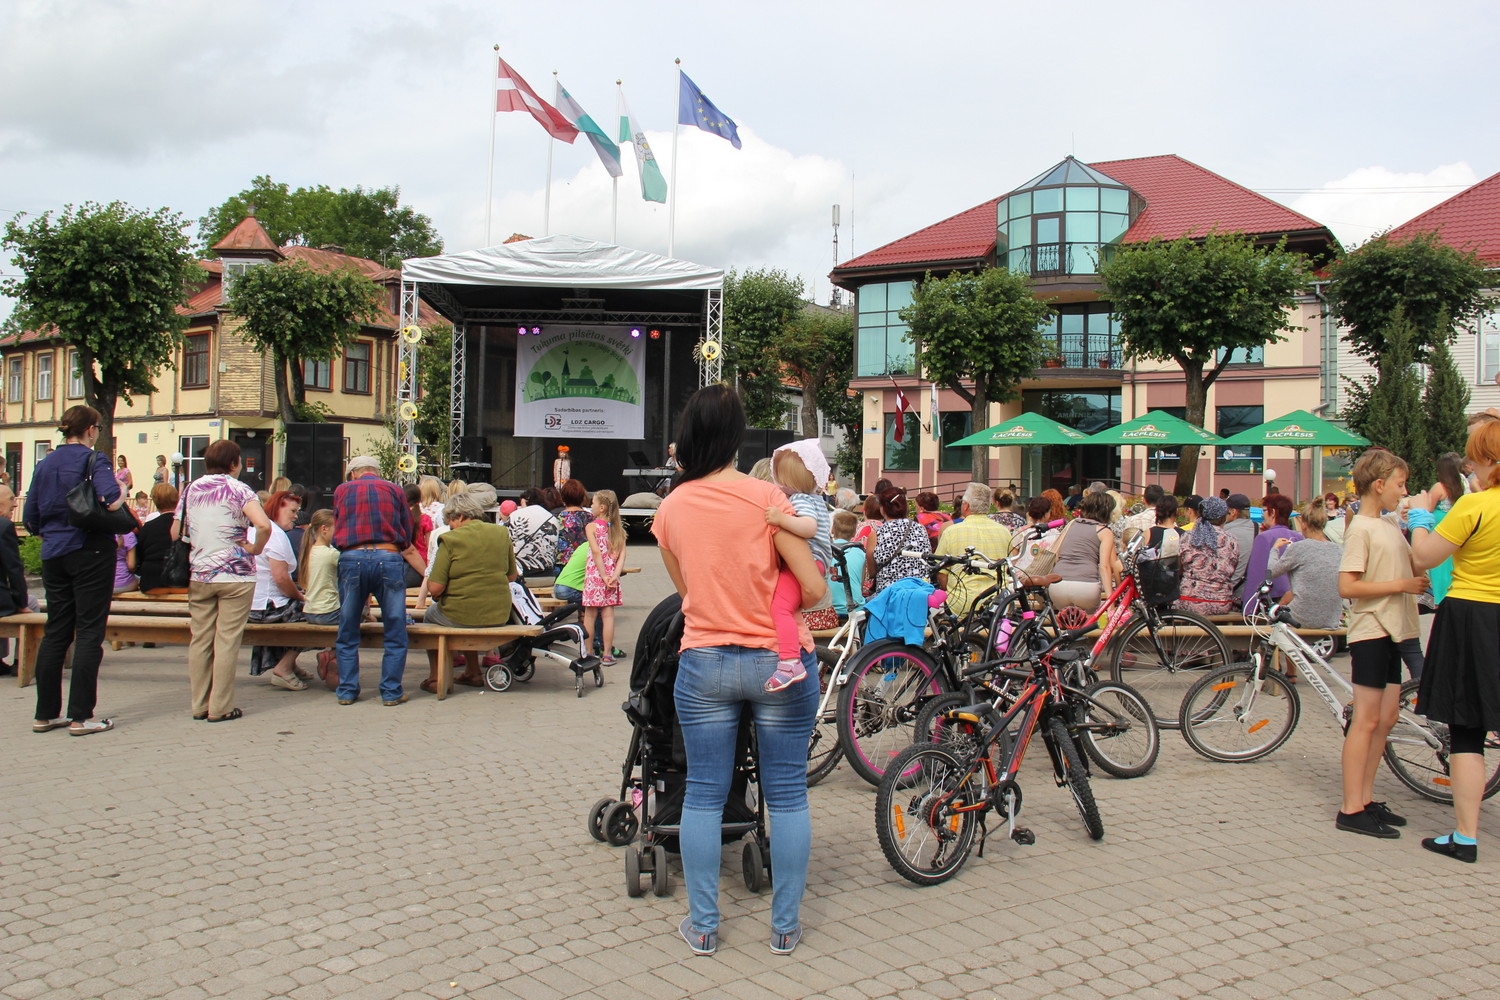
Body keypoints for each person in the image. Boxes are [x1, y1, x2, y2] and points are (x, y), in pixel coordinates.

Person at [651, 384, 825, 957]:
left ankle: (703, 925)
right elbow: (817, 590)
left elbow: (687, 593)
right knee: (788, 795)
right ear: (736, 435)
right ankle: (784, 927)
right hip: (781, 663)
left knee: (702, 793)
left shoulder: (670, 508)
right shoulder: (768, 500)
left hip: (705, 662)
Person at [1407, 420, 1500, 862]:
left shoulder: (1475, 506)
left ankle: (1465, 837)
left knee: (1467, 732)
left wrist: (1422, 516)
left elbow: (1424, 556)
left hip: (1472, 615)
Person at [1334, 448, 1427, 839]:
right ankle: (1350, 807)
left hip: (1395, 629)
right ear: (1379, 484)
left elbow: (1418, 564)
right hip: (1372, 631)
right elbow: (1347, 586)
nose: (1403, 491)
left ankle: (1366, 798)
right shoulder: (1362, 528)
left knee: (1385, 718)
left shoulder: (1390, 524)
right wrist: (1401, 585)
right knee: (1368, 719)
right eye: (1400, 484)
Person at [24, 405, 133, 735]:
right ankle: (81, 716)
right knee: (88, 631)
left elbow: (30, 517)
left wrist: (53, 532)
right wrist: (125, 491)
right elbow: (112, 499)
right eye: (97, 429)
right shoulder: (93, 459)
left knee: (56, 630)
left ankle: (45, 714)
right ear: (89, 430)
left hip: (53, 553)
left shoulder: (44, 464)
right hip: (90, 549)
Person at [172, 438, 271, 723]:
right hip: (236, 574)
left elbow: (173, 531)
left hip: (200, 573)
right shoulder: (240, 489)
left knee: (200, 639)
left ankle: (199, 704)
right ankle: (221, 706)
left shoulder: (190, 489)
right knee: (226, 640)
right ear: (234, 464)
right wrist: (256, 548)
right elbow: (263, 524)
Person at [332, 456, 419, 707]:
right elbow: (406, 528)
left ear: (353, 474)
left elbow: (338, 524)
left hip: (352, 557)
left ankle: (347, 690)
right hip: (388, 556)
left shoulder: (341, 490)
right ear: (376, 473)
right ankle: (391, 692)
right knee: (394, 627)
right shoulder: (394, 489)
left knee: (348, 628)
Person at [420, 487, 517, 693]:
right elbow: (511, 576)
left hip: (461, 612)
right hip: (499, 613)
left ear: (460, 516)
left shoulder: (451, 539)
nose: (450, 527)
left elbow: (435, 586)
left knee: (431, 617)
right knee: (465, 611)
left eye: (451, 522)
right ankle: (472, 671)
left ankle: (436, 677)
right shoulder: (501, 532)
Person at [762, 442, 833, 692]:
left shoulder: (802, 499)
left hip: (810, 560)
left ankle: (790, 661)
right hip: (819, 561)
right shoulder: (815, 498)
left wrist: (781, 519)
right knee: (788, 607)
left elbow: (809, 528)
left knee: (780, 608)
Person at [247, 490, 309, 690]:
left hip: (248, 603)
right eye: (292, 510)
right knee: (316, 614)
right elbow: (281, 579)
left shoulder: (252, 530)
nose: (295, 516)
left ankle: (289, 663)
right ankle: (284, 666)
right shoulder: (276, 536)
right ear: (277, 508)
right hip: (266, 607)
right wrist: (301, 596)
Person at [934, 483, 1012, 616]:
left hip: (960, 603)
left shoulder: (951, 532)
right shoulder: (1004, 532)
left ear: (966, 505)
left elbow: (941, 572)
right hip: (998, 603)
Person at [1266, 501, 1345, 631]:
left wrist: (1275, 548)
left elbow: (1271, 572)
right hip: (1331, 618)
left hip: (1301, 618)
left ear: (1304, 524)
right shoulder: (1338, 550)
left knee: (1273, 621)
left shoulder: (1299, 547)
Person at [1049, 490, 1120, 610]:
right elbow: (1105, 567)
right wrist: (1111, 602)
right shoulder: (1104, 531)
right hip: (1086, 586)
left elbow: (1057, 555)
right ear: (1106, 511)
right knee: (1090, 624)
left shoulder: (1071, 524)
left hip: (1058, 585)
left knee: (1068, 622)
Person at [1173, 496, 1242, 616]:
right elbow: (1232, 569)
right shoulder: (1231, 540)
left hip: (1189, 601)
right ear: (1222, 517)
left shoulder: (1188, 536)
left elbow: (1179, 568)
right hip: (1221, 602)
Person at [297, 509, 340, 688]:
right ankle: (331, 656)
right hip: (328, 612)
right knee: (354, 618)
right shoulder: (331, 554)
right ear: (324, 529)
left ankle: (330, 652)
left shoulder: (309, 551)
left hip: (310, 611)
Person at [583, 489, 627, 665]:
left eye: (593, 503)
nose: (590, 506)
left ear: (601, 507)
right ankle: (607, 654)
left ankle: (588, 652)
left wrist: (602, 575)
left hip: (595, 576)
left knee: (590, 615)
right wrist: (614, 575)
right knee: (608, 616)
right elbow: (623, 555)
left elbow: (595, 552)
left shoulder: (591, 527)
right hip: (612, 578)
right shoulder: (618, 530)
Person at [863, 487, 930, 596]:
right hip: (918, 594)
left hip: (888, 596)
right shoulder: (921, 529)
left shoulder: (876, 535)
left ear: (882, 509)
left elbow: (872, 572)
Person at [1241, 494, 1301, 614]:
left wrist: (1248, 608)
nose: (1262, 514)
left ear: (1272, 512)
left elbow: (1256, 575)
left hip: (1272, 602)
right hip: (1297, 600)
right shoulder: (1299, 537)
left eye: (1264, 510)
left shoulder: (1264, 538)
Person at [1423, 452, 1469, 607]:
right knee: (1451, 562)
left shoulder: (1439, 486)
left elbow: (1427, 508)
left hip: (1440, 525)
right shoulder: (1464, 482)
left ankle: (1438, 596)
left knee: (1438, 564)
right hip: (1457, 523)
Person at [0, 484, 30, 676]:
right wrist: (21, 602)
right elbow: (14, 570)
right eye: (11, 499)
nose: (15, 505)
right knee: (33, 607)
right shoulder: (3, 527)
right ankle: (22, 662)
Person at [508, 487, 559, 578]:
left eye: (522, 503)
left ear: (527, 500)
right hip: (547, 574)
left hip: (520, 573)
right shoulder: (552, 519)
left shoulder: (515, 515)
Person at [827, 510, 866, 618]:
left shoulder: (826, 551)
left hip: (830, 609)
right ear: (854, 532)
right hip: (855, 609)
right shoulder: (861, 553)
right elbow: (860, 585)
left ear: (832, 530)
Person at [1010, 495, 1061, 576]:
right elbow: (1056, 559)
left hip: (1020, 576)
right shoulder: (1055, 534)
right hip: (1044, 577)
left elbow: (1014, 558)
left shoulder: (1021, 532)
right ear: (1047, 513)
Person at [1222, 493, 1257, 601]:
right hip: (1252, 591)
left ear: (1233, 512)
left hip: (1230, 592)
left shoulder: (1226, 533)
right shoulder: (1258, 529)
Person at [555, 478, 593, 567]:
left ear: (563, 497)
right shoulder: (590, 517)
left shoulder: (557, 518)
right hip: (584, 562)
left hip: (562, 564)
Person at [112, 529, 139, 596]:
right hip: (122, 583)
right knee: (139, 579)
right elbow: (131, 566)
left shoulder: (99, 534)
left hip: (101, 583)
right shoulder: (128, 535)